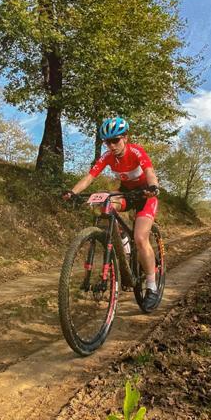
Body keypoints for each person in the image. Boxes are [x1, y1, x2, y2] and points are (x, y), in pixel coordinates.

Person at [63, 117, 160, 295]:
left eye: (115, 140)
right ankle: (122, 238)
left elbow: (149, 172)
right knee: (105, 204)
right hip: (127, 193)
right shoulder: (107, 157)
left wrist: (153, 187)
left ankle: (152, 285)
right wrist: (72, 192)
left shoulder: (136, 151)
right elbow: (90, 177)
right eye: (108, 142)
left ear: (125, 138)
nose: (112, 145)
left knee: (140, 238)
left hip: (146, 195)